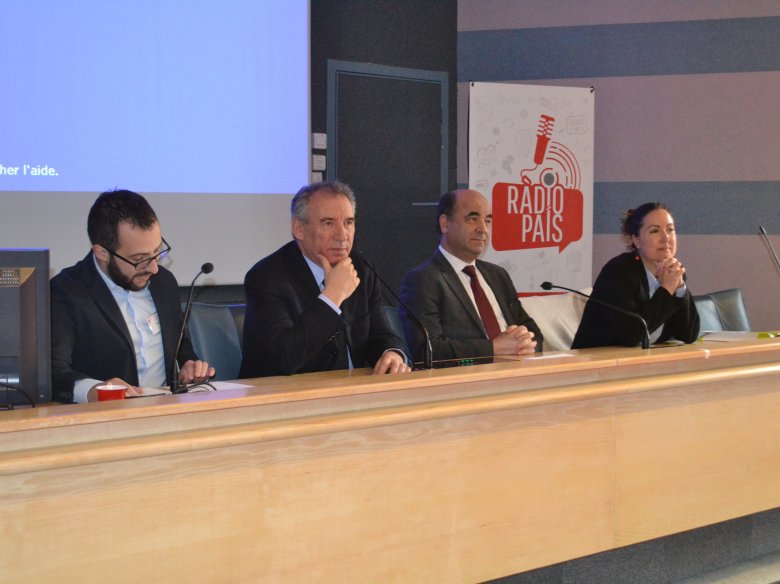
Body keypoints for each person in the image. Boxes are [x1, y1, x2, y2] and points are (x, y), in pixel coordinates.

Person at [50, 189, 215, 403]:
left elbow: (181, 347)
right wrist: (93, 390)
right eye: (139, 259)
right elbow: (54, 372)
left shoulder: (163, 283)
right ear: (101, 253)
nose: (154, 268)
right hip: (102, 421)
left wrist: (190, 365)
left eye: (157, 252)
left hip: (167, 412)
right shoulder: (65, 292)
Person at [240, 180, 410, 378]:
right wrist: (332, 297)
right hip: (286, 399)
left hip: (352, 395)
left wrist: (391, 353)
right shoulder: (266, 277)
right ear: (298, 228)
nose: (342, 236)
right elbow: (284, 359)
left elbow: (381, 334)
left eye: (348, 222)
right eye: (328, 223)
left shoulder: (361, 268)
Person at [399, 189, 543, 363]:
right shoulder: (423, 279)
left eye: (487, 220)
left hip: (518, 371)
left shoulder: (497, 275)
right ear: (445, 224)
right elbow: (428, 349)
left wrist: (525, 341)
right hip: (468, 381)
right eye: (472, 219)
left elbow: (534, 332)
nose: (483, 229)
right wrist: (494, 348)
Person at [571, 202, 700, 349]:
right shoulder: (619, 271)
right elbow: (633, 334)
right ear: (636, 240)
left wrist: (680, 288)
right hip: (595, 363)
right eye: (654, 231)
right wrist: (666, 290)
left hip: (642, 362)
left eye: (670, 230)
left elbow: (688, 334)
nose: (666, 238)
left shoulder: (673, 271)